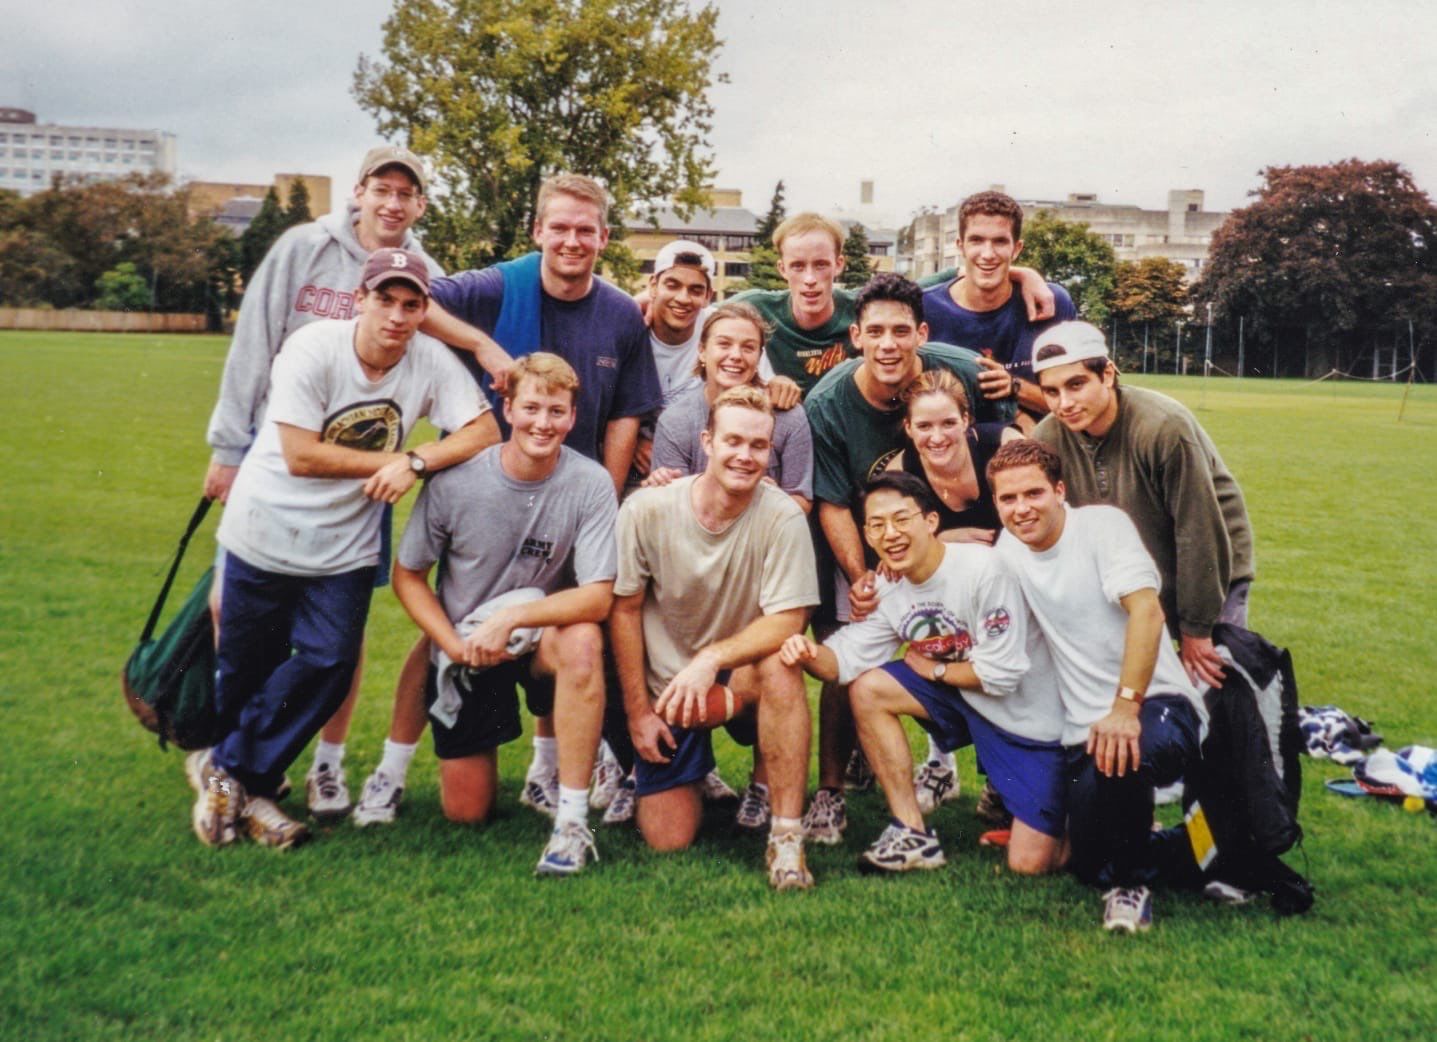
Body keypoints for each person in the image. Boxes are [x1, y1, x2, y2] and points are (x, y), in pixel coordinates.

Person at [353, 173, 663, 826]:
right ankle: (390, 769)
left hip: (573, 499)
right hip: (488, 480)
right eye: (561, 227)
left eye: (586, 230)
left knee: (569, 630)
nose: (572, 241)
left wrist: (599, 501)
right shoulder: (497, 285)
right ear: (538, 231)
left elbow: (623, 419)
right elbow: (413, 298)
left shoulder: (617, 314)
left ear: (603, 238)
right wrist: (479, 341)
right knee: (450, 622)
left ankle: (552, 773)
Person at [187, 247, 496, 851]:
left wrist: (418, 460)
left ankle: (226, 771)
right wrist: (397, 460)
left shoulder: (429, 359)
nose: (397, 316)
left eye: (412, 305)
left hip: (343, 550)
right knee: (248, 669)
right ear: (361, 299)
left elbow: (483, 429)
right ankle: (254, 789)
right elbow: (302, 455)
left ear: (423, 311)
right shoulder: (312, 347)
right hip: (264, 532)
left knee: (329, 664)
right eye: (386, 300)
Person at [203, 145, 441, 818]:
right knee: (233, 613)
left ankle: (322, 763)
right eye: (382, 189)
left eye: (407, 194)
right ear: (360, 191)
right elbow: (254, 341)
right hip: (275, 464)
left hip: (361, 476)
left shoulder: (425, 273)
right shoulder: (303, 248)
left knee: (339, 635)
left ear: (420, 205)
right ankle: (241, 759)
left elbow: (444, 338)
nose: (392, 203)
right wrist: (228, 446)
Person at [799, 272, 1016, 844]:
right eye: (876, 332)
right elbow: (832, 502)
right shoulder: (830, 402)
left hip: (969, 539)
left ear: (921, 333)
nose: (889, 344)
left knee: (996, 639)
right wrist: (862, 576)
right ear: (856, 337)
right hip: (873, 534)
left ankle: (1001, 775)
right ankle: (831, 789)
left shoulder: (962, 372)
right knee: (856, 639)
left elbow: (1021, 449)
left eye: (902, 330)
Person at [390, 353, 617, 875]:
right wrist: (451, 643)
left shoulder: (590, 482)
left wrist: (514, 620)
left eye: (557, 411)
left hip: (538, 641)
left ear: (573, 417)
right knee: (466, 812)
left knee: (583, 639)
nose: (543, 422)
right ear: (507, 408)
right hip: (471, 647)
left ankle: (572, 821)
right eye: (531, 407)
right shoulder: (455, 481)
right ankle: (385, 774)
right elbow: (408, 576)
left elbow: (599, 596)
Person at [780, 471, 1066, 876]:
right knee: (869, 688)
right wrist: (806, 652)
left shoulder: (984, 570)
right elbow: (843, 661)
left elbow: (1002, 675)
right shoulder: (890, 586)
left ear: (931, 522)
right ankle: (911, 832)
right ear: (867, 534)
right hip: (963, 696)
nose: (891, 533)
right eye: (877, 525)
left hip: (1023, 713)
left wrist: (933, 669)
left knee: (1031, 862)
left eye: (901, 519)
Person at [989, 440, 1210, 933]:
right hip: (1081, 728)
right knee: (1088, 865)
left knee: (1122, 756)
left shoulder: (1102, 527)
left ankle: (1131, 888)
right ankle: (1208, 844)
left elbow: (1147, 611)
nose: (1022, 509)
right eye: (1008, 500)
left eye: (1033, 494)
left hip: (1156, 704)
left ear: (1060, 491)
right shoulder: (1009, 551)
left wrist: (1125, 707)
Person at [611, 386, 820, 890]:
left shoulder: (782, 514)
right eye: (733, 441)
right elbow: (625, 610)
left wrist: (712, 658)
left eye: (758, 446)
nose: (745, 456)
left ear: (770, 452)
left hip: (738, 673)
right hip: (669, 685)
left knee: (781, 665)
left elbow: (790, 618)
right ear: (707, 441)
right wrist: (639, 712)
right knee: (668, 838)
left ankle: (787, 836)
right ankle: (691, 766)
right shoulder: (647, 510)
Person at [1029, 321, 1254, 688]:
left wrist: (1197, 629)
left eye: (1076, 384)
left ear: (1107, 374)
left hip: (1213, 566)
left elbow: (1197, 530)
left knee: (1214, 688)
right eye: (1051, 392)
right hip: (1134, 574)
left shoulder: (1164, 427)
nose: (1064, 404)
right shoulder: (1048, 437)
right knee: (1145, 689)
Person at [883, 369, 1023, 816]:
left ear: (967, 419)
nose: (937, 436)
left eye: (948, 423)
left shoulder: (1003, 445)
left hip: (1016, 579)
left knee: (1009, 663)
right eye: (924, 426)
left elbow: (1040, 517)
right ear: (908, 428)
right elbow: (889, 550)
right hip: (950, 588)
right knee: (926, 621)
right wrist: (945, 542)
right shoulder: (900, 472)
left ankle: (1005, 773)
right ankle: (940, 765)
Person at [921, 191, 1077, 429]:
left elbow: (1079, 401)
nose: (987, 254)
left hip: (1037, 452)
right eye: (976, 240)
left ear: (1016, 249)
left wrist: (1014, 387)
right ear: (960, 246)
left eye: (1000, 241)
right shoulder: (925, 308)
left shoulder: (1052, 303)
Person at [648, 300, 814, 512]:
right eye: (724, 344)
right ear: (702, 351)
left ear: (759, 356)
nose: (735, 356)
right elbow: (675, 508)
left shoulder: (788, 416)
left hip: (765, 532)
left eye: (748, 347)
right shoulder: (675, 421)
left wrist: (774, 500)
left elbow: (801, 500)